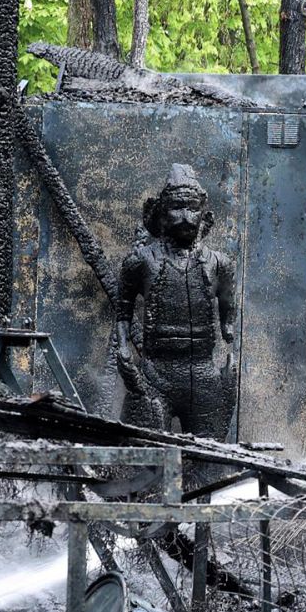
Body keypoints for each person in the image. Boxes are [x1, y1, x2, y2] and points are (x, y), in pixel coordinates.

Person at [115, 164, 238, 440]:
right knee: (146, 459)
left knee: (210, 459)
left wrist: (227, 327)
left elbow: (228, 308)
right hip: (155, 374)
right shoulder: (141, 261)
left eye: (192, 209)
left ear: (203, 214)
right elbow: (122, 311)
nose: (185, 217)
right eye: (176, 208)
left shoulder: (219, 264)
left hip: (203, 374)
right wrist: (123, 348)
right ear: (161, 213)